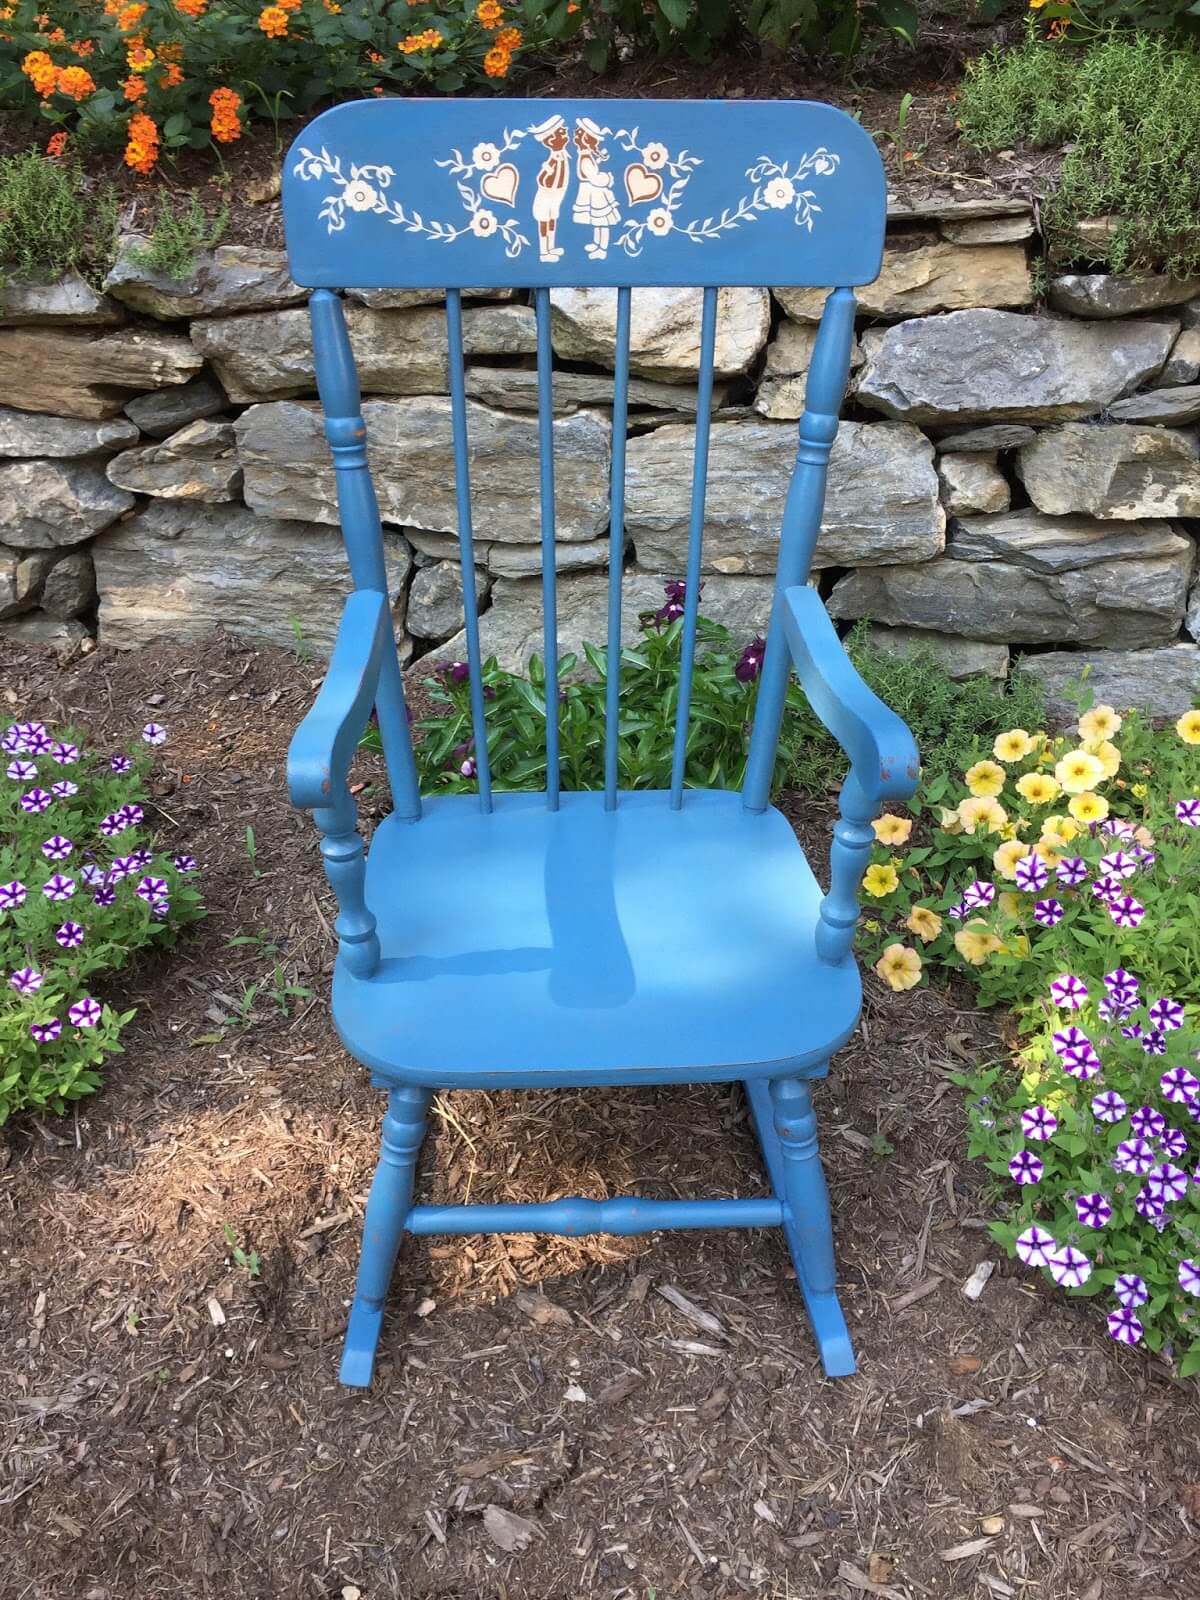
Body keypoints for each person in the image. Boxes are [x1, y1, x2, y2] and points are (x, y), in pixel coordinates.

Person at [571, 116, 619, 260]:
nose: (575, 135)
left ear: (586, 138)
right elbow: (592, 173)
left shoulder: (585, 158)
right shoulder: (585, 156)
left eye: (579, 133)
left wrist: (608, 178)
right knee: (597, 222)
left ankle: (602, 248)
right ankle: (597, 244)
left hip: (596, 194)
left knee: (602, 222)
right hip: (591, 192)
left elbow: (595, 178)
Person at [529, 113, 570, 263]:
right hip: (546, 196)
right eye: (561, 131)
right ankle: (544, 251)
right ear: (552, 140)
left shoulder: (563, 155)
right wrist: (548, 172)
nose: (565, 130)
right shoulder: (552, 160)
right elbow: (541, 180)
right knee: (544, 222)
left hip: (556, 196)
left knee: (553, 219)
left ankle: (551, 247)